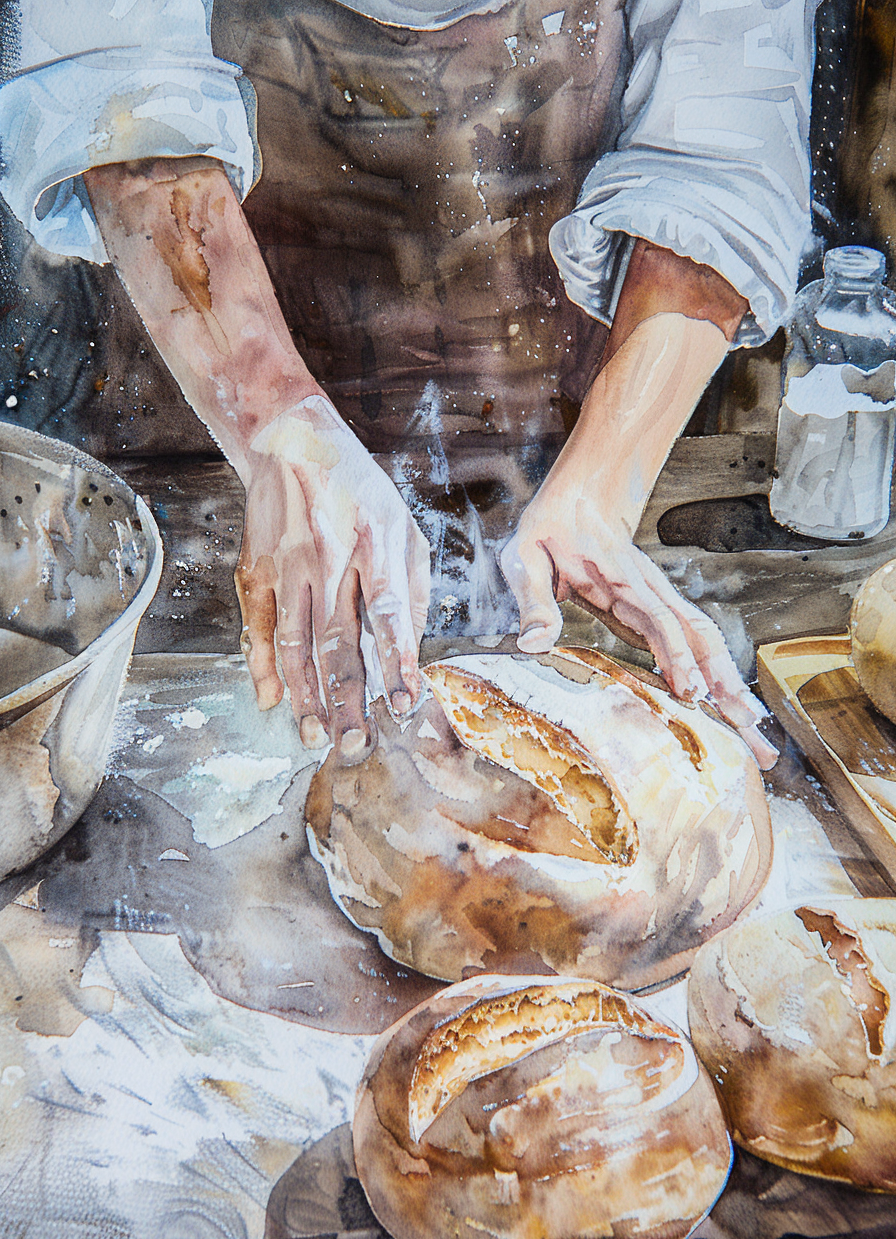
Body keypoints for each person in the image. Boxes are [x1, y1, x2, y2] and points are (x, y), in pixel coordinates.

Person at [0, 0, 819, 768]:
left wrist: (602, 489)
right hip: (195, 429)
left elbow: (722, 153)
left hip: (552, 412)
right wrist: (278, 422)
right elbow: (123, 96)